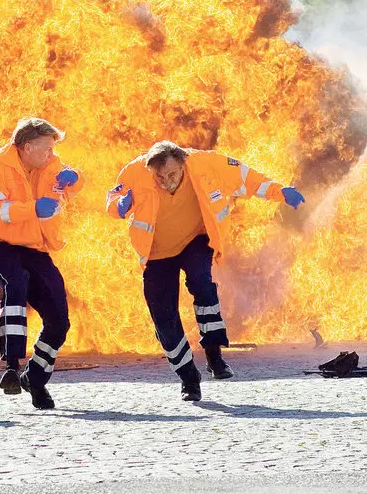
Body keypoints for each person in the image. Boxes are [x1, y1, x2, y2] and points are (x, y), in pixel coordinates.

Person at [106, 141, 305, 401]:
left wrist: (280, 191)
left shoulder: (206, 164)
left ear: (183, 165)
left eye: (172, 175)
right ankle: (189, 379)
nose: (166, 182)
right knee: (163, 318)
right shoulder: (134, 172)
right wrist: (119, 206)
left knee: (202, 282)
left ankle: (214, 355)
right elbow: (111, 199)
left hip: (195, 241)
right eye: (159, 177)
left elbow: (246, 178)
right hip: (156, 253)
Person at [0, 117, 84, 409]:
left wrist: (75, 178)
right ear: (26, 147)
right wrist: (32, 208)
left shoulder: (48, 162)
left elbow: (70, 181)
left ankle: (34, 377)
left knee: (60, 320)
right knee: (16, 282)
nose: (51, 155)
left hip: (35, 246)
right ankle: (11, 365)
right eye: (46, 149)